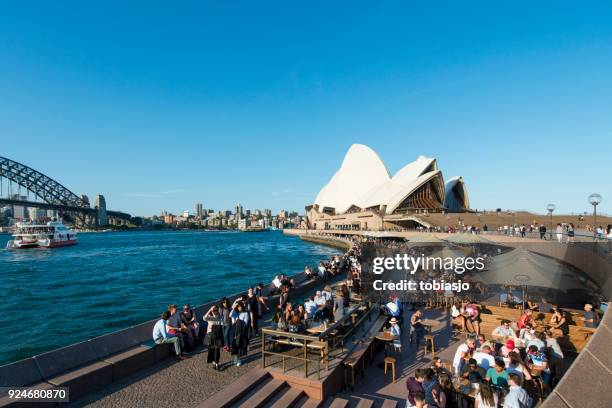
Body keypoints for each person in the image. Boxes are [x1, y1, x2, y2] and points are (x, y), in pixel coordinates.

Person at [203, 305, 224, 369]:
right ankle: (213, 362)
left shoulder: (220, 316)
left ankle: (217, 363)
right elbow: (204, 318)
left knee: (217, 350)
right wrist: (210, 309)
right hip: (210, 336)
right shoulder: (210, 317)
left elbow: (222, 325)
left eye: (216, 310)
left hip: (218, 336)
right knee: (211, 350)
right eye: (214, 310)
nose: (215, 311)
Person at [230, 301, 249, 366]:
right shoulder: (235, 313)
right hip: (234, 331)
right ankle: (236, 357)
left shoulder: (245, 313)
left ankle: (239, 359)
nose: (239, 308)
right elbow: (230, 315)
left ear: (242, 307)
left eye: (240, 306)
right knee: (235, 345)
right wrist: (234, 307)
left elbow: (245, 323)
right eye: (238, 307)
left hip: (240, 332)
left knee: (240, 346)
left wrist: (238, 322)